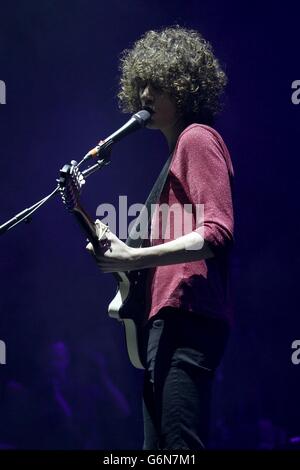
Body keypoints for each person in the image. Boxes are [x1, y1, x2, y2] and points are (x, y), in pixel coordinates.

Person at [87, 26, 234, 450]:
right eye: (142, 84)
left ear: (185, 88)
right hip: (165, 319)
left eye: (158, 83)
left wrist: (132, 257)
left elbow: (217, 231)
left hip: (188, 315)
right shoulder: (172, 160)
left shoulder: (197, 138)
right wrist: (121, 250)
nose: (146, 94)